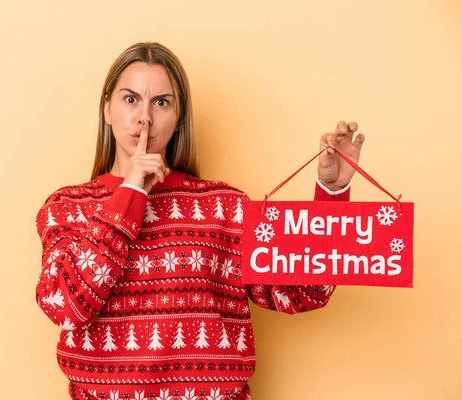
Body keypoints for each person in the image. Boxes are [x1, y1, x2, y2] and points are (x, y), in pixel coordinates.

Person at [35, 42, 364, 400]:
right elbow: (64, 306)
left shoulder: (226, 208)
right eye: (130, 99)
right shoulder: (66, 209)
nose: (144, 117)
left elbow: (302, 292)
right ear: (107, 110)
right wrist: (130, 191)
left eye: (161, 102)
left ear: (178, 120)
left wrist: (333, 193)